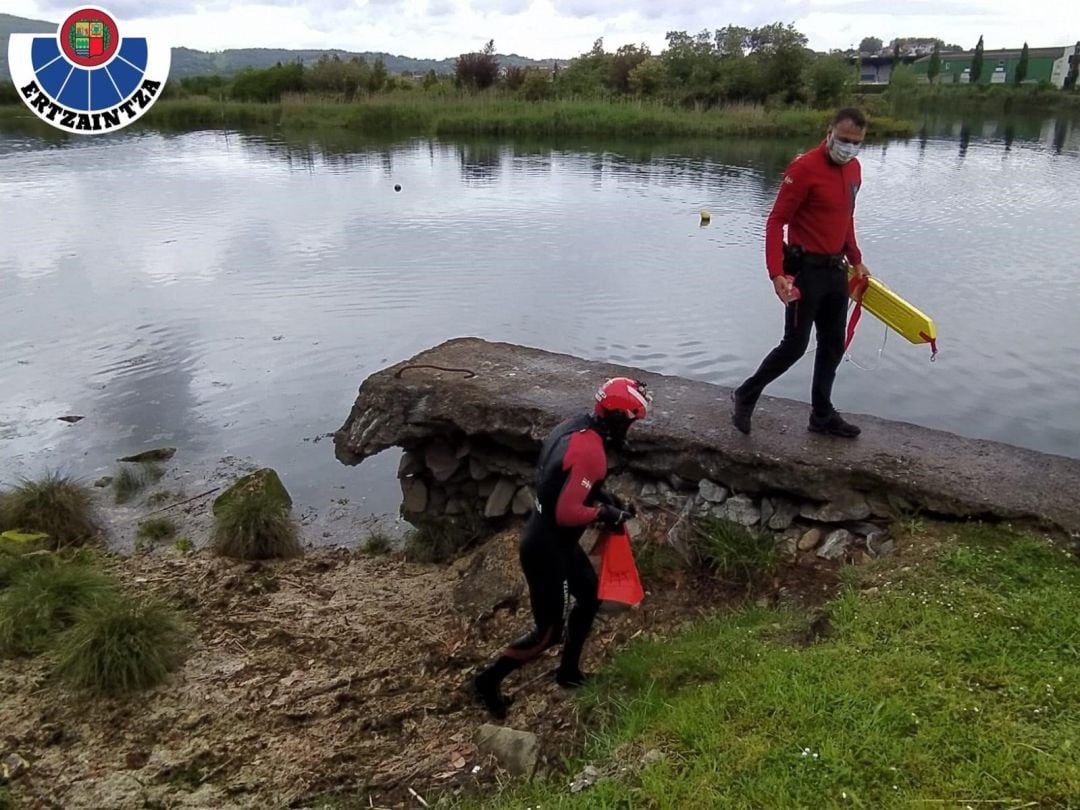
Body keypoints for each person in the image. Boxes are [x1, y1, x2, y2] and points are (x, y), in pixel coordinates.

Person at [472, 377, 651, 719]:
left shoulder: (574, 426)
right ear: (616, 418)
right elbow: (567, 512)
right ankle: (487, 681)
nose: (632, 427)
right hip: (547, 549)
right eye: (631, 419)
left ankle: (568, 673)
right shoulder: (592, 452)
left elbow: (561, 479)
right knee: (548, 632)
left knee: (588, 598)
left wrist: (603, 497)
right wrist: (604, 512)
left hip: (553, 540)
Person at [731, 107, 872, 439]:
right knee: (795, 345)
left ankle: (821, 415)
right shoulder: (804, 168)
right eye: (843, 139)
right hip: (804, 273)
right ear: (829, 133)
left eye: (856, 142)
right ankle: (746, 394)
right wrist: (776, 272)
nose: (849, 147)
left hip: (836, 270)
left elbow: (845, 218)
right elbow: (776, 220)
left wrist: (856, 257)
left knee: (834, 344)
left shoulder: (854, 170)